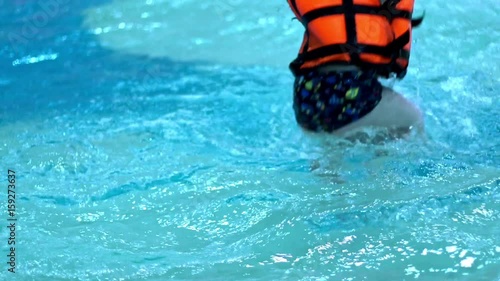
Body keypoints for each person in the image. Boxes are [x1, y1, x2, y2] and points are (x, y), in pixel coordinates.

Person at [287, 0, 424, 139]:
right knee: (412, 121)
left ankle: (328, 159)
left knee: (336, 147)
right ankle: (378, 159)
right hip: (351, 93)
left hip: (306, 96)